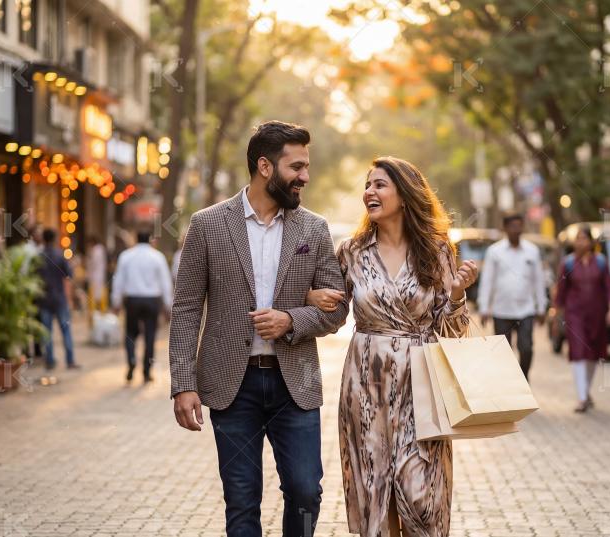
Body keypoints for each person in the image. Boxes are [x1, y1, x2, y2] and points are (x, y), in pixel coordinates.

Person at [169, 120, 348, 536]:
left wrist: (290, 319)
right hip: (233, 388)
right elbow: (186, 308)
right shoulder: (208, 225)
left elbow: (336, 309)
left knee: (306, 491)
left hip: (295, 386)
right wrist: (183, 383)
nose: (305, 176)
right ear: (265, 166)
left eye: (306, 167)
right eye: (296, 166)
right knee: (242, 499)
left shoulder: (314, 228)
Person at [308, 157, 479, 536]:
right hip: (367, 386)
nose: (370, 192)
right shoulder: (352, 251)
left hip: (422, 386)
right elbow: (333, 315)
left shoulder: (436, 251)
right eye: (368, 185)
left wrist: (456, 295)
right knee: (375, 493)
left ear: (404, 195)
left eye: (380, 185)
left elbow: (452, 332)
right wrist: (311, 297)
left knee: (421, 496)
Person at [477, 213, 547, 380]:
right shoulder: (494, 252)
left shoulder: (532, 251)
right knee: (503, 353)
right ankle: (508, 385)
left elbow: (538, 281)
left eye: (519, 226)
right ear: (505, 228)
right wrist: (484, 307)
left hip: (526, 310)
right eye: (512, 226)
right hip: (502, 310)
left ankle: (524, 379)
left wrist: (542, 307)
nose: (516, 230)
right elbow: (487, 280)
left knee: (526, 348)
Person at [555, 225, 610, 413]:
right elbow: (560, 293)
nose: (580, 242)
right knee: (579, 352)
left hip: (597, 315)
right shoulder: (567, 264)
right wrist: (556, 318)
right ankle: (582, 398)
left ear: (591, 242)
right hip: (575, 315)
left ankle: (586, 391)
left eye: (584, 238)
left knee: (593, 355)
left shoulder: (601, 263)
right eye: (578, 238)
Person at [111, 231, 172, 383]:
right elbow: (165, 282)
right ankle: (146, 371)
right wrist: (168, 305)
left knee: (130, 333)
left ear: (135, 239)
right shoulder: (157, 257)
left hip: (132, 299)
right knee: (150, 336)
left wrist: (116, 301)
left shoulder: (126, 256)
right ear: (150, 240)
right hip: (152, 300)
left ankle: (131, 360)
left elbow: (118, 280)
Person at [37, 228, 78, 370]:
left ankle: (49, 360)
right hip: (59, 298)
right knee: (66, 330)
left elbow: (34, 277)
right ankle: (70, 360)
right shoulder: (60, 255)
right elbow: (69, 275)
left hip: (44, 299)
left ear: (43, 239)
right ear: (54, 239)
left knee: (46, 332)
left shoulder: (39, 256)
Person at [86, 235, 108, 314]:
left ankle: (96, 312)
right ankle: (100, 311)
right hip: (99, 275)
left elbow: (93, 264)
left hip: (96, 276)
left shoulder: (96, 250)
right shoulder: (100, 249)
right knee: (100, 294)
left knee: (96, 295)